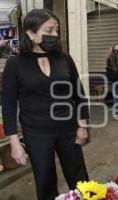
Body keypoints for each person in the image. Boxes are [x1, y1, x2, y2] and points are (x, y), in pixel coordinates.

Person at [2, 9, 89, 200]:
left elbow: (79, 95)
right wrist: (15, 144)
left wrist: (82, 125)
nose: (55, 35)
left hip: (68, 129)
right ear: (31, 34)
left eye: (56, 30)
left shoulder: (64, 59)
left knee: (81, 181)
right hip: (36, 133)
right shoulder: (15, 64)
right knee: (45, 182)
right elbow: (8, 106)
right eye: (49, 31)